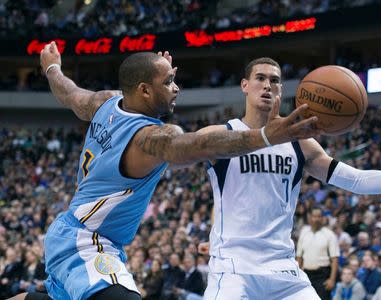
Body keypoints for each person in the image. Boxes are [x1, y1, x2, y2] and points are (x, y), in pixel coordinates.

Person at [9, 42, 321, 300]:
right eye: (168, 82)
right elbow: (198, 147)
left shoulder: (107, 102)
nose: (177, 88)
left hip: (71, 231)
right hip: (88, 240)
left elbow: (70, 93)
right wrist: (268, 136)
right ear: (144, 91)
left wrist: (52, 68)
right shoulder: (150, 137)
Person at [200, 56, 381, 299]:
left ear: (281, 89)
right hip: (234, 269)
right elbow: (174, 152)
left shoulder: (299, 144)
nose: (267, 85)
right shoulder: (222, 135)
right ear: (244, 85)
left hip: (283, 270)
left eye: (274, 80)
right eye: (260, 78)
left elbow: (357, 180)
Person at [297, 206, 339, 300]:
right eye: (314, 216)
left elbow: (335, 259)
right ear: (310, 218)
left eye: (319, 216)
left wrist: (332, 279)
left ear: (323, 218)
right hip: (306, 275)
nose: (316, 219)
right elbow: (299, 257)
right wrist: (298, 277)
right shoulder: (304, 233)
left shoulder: (329, 234)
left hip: (322, 275)